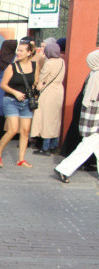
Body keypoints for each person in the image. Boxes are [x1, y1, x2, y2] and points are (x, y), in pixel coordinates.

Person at [0, 38, 39, 168]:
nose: (18, 53)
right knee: (13, 129)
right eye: (18, 50)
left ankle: (21, 159)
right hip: (11, 100)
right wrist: (15, 93)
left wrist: (37, 88)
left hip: (27, 102)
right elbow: (3, 85)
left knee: (25, 131)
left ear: (29, 52)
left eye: (21, 51)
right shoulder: (12, 67)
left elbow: (35, 82)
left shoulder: (34, 66)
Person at [54, 49, 99, 183]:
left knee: (94, 144)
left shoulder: (93, 74)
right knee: (88, 145)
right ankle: (64, 168)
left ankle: (64, 168)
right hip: (94, 117)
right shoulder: (97, 76)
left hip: (90, 116)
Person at [31, 41, 65, 156]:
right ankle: (54, 145)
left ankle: (45, 148)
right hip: (59, 91)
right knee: (55, 119)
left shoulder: (49, 63)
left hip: (48, 92)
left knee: (46, 119)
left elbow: (42, 77)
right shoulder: (62, 61)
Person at [0, 39, 18, 140]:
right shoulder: (16, 59)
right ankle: (12, 133)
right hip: (13, 86)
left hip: (0, 86)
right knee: (12, 109)